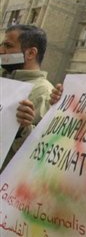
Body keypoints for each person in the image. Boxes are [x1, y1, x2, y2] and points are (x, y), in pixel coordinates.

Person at [0, 24, 53, 172]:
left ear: (30, 53)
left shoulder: (43, 92)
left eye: (8, 46)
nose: (1, 51)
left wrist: (24, 126)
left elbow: (39, 152)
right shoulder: (5, 81)